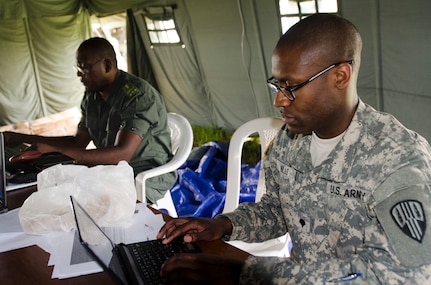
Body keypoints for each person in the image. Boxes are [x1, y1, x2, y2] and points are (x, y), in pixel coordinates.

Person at [156, 13, 431, 284]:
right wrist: (222, 225)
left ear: (340, 76)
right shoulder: (289, 140)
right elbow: (277, 210)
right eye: (277, 84)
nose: (279, 100)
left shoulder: (398, 158)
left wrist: (246, 274)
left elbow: (405, 275)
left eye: (291, 86)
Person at [3, 37, 176, 204]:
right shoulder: (92, 96)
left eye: (85, 67)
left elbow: (122, 154)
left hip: (144, 175)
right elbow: (78, 143)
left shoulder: (137, 95)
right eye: (78, 67)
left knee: (75, 202)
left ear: (107, 65)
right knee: (46, 191)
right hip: (112, 172)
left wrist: (55, 149)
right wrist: (21, 138)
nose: (79, 73)